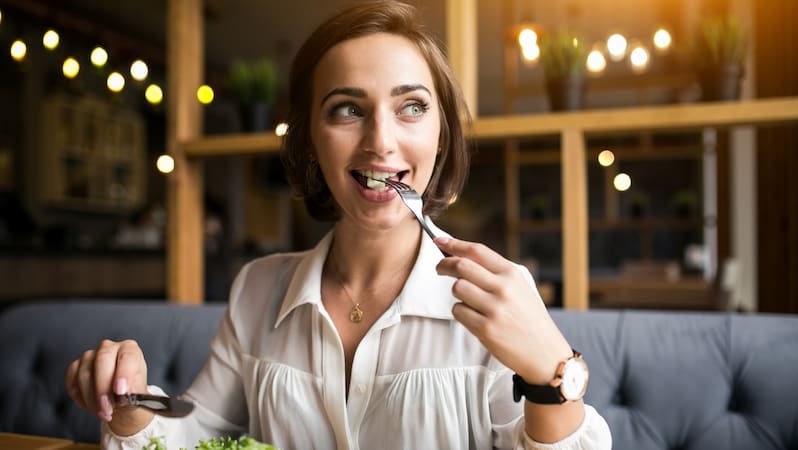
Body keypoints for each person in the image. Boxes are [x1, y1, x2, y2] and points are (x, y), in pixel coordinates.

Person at [65, 2, 612, 449]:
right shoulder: (257, 289)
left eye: (412, 107)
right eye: (348, 110)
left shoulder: (496, 297)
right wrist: (132, 405)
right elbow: (196, 431)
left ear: (440, 137)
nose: (380, 140)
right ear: (310, 141)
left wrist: (552, 375)